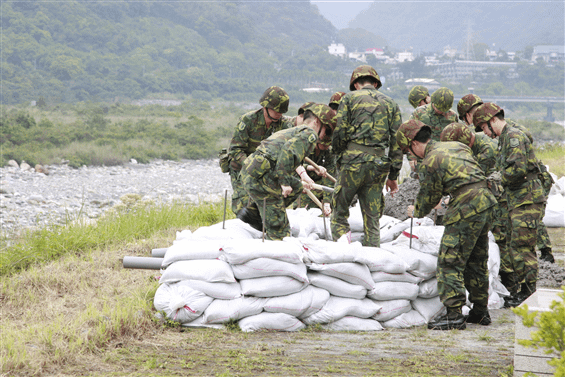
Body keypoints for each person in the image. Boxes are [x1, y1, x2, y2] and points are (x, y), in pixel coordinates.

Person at [398, 119, 497, 330]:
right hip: (486, 202)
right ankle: (480, 311)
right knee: (476, 259)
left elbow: (429, 198)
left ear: (414, 144)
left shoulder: (430, 161)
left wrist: (415, 211)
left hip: (466, 206)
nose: (410, 155)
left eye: (408, 150)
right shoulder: (456, 145)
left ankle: (453, 315)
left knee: (449, 261)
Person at [473, 103, 545, 306]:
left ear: (492, 120)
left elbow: (518, 170)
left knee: (524, 247)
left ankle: (529, 293)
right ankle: (523, 290)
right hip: (519, 199)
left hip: (527, 198)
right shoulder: (505, 138)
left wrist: (497, 179)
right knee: (516, 246)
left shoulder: (513, 137)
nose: (485, 134)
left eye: (484, 128)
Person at [239, 104, 336, 240]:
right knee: (281, 230)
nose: (324, 136)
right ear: (317, 122)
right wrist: (284, 183)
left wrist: (304, 177)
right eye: (326, 131)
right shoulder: (310, 134)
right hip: (262, 177)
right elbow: (288, 153)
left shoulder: (296, 131)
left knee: (297, 186)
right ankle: (271, 223)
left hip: (254, 173)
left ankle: (254, 212)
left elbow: (290, 158)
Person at [331, 65, 402, 247]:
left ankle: (343, 253)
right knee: (372, 219)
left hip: (352, 163)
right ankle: (373, 258)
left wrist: (339, 156)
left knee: (339, 212)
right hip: (379, 165)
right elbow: (397, 143)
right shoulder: (391, 104)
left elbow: (340, 132)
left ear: (356, 84)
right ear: (376, 83)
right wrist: (393, 176)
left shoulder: (348, 99)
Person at [228, 86, 293, 226]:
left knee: (267, 203)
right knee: (244, 205)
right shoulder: (248, 121)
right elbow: (235, 151)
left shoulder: (285, 125)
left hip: (267, 170)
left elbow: (288, 152)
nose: (278, 114)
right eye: (276, 110)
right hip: (242, 167)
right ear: (265, 107)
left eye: (281, 111)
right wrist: (251, 165)